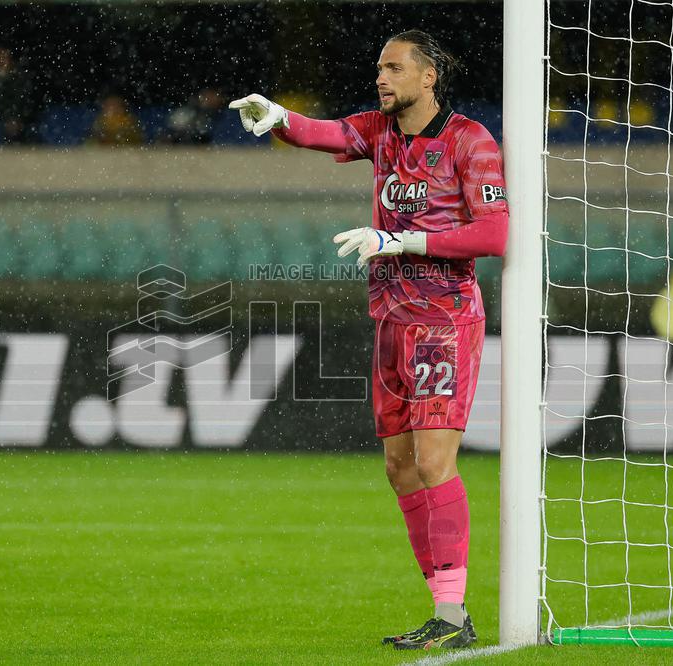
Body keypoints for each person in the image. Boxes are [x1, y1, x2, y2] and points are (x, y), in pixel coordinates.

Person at [230, 29, 508, 651]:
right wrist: (277, 116)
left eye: (394, 68)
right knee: (400, 468)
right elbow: (322, 132)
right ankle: (445, 610)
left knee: (434, 461)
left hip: (442, 322)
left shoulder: (469, 141)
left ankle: (455, 614)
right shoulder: (381, 134)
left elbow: (494, 236)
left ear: (428, 76)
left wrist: (403, 241)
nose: (381, 78)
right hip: (390, 319)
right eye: (378, 68)